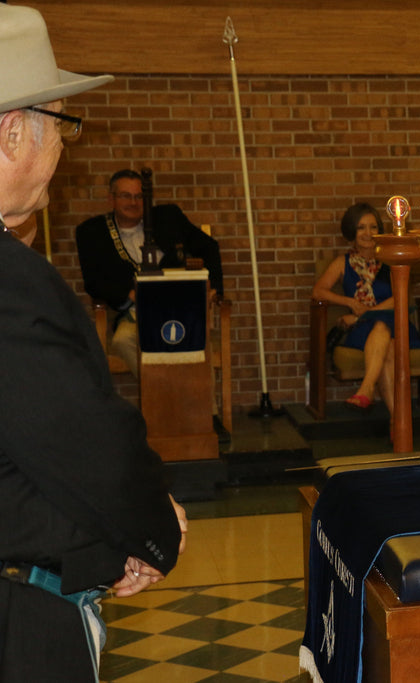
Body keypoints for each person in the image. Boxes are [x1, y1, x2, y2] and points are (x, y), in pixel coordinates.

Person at [0, 5, 187, 680]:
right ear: (12, 132)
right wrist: (150, 531)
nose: (62, 147)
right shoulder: (6, 281)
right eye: (59, 125)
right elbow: (78, 443)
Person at [75, 169, 223, 377]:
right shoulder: (92, 232)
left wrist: (214, 288)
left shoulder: (168, 218)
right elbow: (94, 282)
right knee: (122, 340)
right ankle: (162, 396)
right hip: (136, 314)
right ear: (111, 199)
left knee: (197, 337)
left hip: (179, 310)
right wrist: (129, 295)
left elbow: (209, 247)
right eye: (126, 196)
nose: (134, 202)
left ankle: (207, 409)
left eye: (139, 196)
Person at [312, 202, 420, 414]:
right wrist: (349, 303)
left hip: (396, 323)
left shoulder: (391, 259)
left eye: (373, 227)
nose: (368, 233)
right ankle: (396, 421)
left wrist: (359, 316)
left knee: (383, 326)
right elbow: (318, 292)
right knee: (386, 344)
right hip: (363, 332)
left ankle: (366, 389)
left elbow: (399, 298)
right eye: (361, 227)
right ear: (352, 232)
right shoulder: (342, 262)